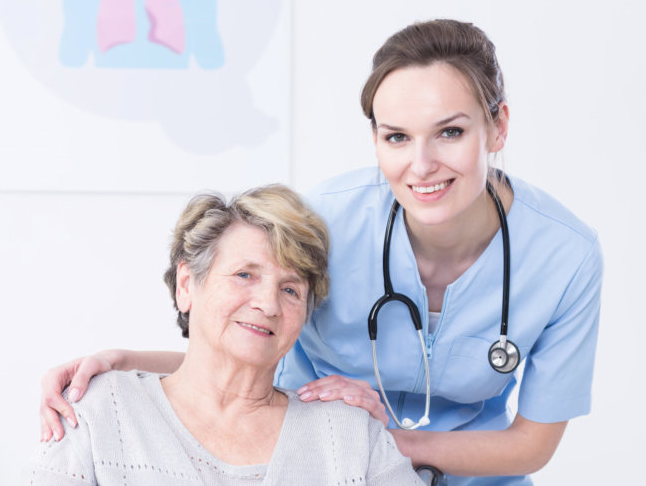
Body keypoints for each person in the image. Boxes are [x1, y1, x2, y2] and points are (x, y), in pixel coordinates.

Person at [39, 19, 602, 485]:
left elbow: (531, 443)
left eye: (450, 132)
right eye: (397, 137)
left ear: (497, 126)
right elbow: (248, 341)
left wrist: (366, 440)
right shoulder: (325, 223)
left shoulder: (563, 257)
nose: (422, 164)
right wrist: (121, 361)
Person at [28, 185, 420, 485]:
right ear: (186, 285)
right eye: (244, 275)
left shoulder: (349, 432)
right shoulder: (99, 411)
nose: (268, 304)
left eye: (290, 290)